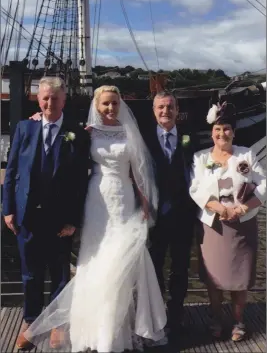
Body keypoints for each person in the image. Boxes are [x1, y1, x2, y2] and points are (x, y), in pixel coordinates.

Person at [24, 85, 167, 352]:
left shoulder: (129, 132)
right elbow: (67, 159)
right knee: (95, 258)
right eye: (105, 104)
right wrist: (36, 118)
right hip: (96, 200)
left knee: (123, 258)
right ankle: (91, 328)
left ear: (120, 104)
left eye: (114, 103)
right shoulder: (85, 133)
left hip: (124, 199)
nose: (110, 109)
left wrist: (145, 201)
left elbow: (138, 170)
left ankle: (116, 329)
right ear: (97, 106)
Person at [2, 77, 89, 350]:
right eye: (45, 98)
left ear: (64, 100)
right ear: (38, 100)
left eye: (55, 98)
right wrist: (8, 210)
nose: (50, 103)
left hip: (60, 218)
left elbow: (80, 182)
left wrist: (75, 220)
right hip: (28, 213)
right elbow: (12, 170)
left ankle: (56, 323)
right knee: (30, 272)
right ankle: (30, 320)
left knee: (60, 272)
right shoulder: (25, 128)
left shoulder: (77, 133)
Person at [190, 101, 266, 341]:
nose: (222, 134)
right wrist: (220, 209)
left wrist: (243, 207)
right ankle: (215, 319)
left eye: (226, 129)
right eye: (218, 129)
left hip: (243, 224)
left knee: (240, 278)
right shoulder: (200, 158)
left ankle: (239, 321)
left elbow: (263, 184)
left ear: (234, 131)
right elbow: (196, 189)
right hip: (214, 225)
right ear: (212, 132)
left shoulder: (247, 154)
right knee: (214, 278)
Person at [143, 91, 196, 335]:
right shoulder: (144, 139)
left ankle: (176, 312)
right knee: (154, 268)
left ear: (177, 110)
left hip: (183, 215)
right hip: (154, 217)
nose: (166, 111)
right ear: (154, 111)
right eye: (161, 108)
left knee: (180, 267)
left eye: (170, 107)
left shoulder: (190, 137)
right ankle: (157, 313)